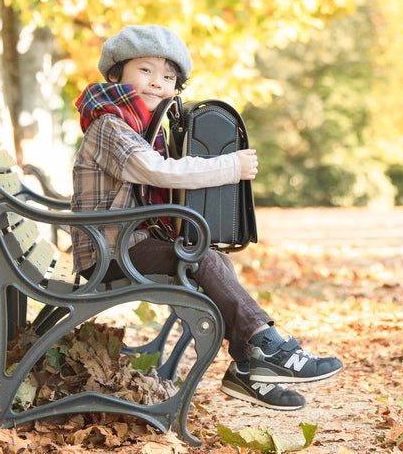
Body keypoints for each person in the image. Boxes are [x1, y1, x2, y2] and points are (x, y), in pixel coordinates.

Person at [72, 23, 343, 411]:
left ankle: (249, 367)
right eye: (145, 70)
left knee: (209, 256)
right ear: (116, 73)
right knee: (198, 256)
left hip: (128, 241)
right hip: (109, 251)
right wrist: (227, 167)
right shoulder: (110, 124)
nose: (157, 83)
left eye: (168, 77)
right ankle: (270, 350)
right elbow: (155, 172)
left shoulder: (141, 126)